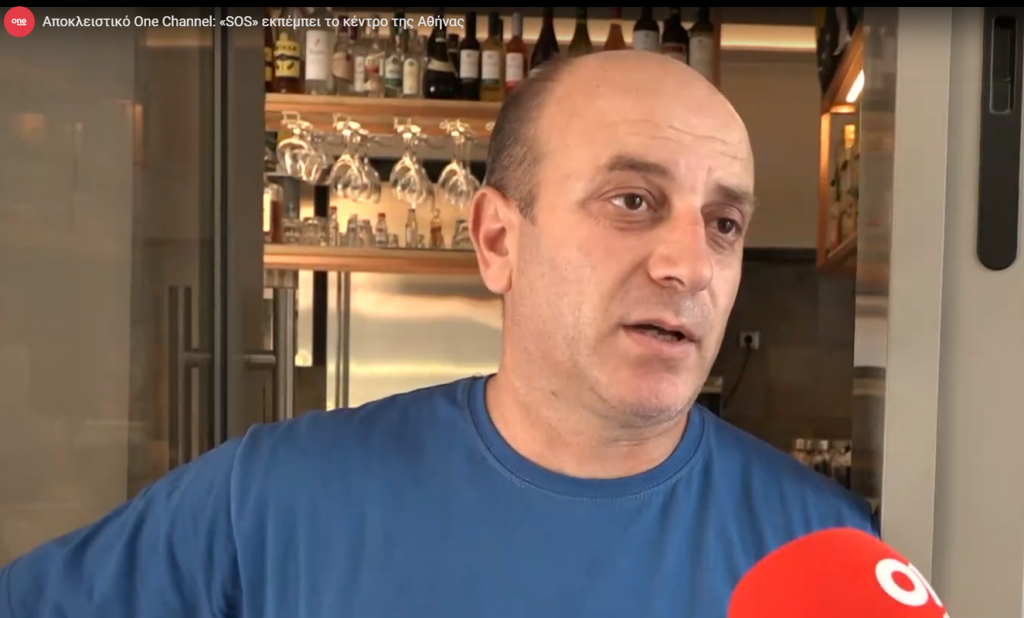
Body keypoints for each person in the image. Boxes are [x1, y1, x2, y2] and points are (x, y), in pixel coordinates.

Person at [0, 51, 875, 618]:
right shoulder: (270, 501)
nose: (691, 265)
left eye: (724, 224)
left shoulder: (827, 552)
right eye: (632, 201)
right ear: (497, 239)